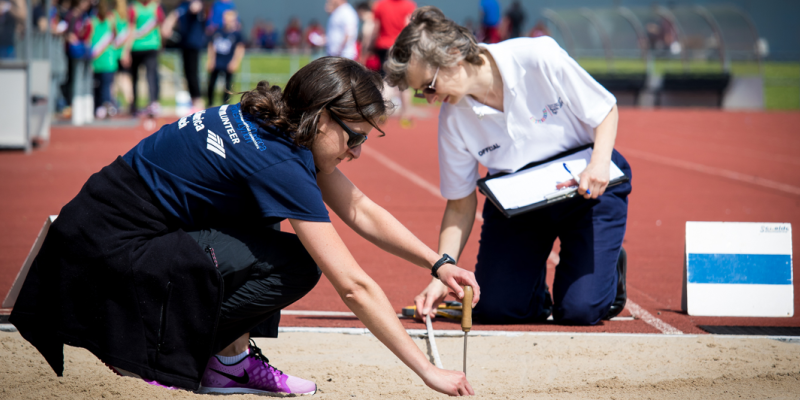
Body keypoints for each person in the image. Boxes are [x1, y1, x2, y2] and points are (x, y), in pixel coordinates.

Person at [10, 56, 478, 397]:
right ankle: (184, 350)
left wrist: (438, 263)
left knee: (259, 222)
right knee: (295, 264)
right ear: (320, 118)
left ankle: (228, 361)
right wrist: (427, 371)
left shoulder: (270, 120)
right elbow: (353, 285)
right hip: (105, 260)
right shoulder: (278, 162)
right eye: (354, 137)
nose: (357, 152)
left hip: (90, 238)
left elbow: (359, 208)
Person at [383, 7, 629, 326]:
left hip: (587, 190)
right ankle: (529, 288)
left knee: (579, 311)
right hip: (519, 204)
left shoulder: (538, 56)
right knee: (497, 308)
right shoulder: (453, 118)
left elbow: (606, 108)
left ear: (454, 54)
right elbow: (459, 203)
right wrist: (441, 271)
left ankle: (610, 269)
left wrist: (598, 164)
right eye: (420, 93)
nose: (428, 99)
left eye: (429, 86)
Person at [370, 0, 416, 126]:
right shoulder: (409, 5)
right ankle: (405, 115)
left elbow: (376, 27)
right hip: (401, 46)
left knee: (386, 79)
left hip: (384, 45)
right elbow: (410, 27)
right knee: (403, 81)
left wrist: (370, 44)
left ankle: (383, 110)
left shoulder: (380, 5)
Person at [163, 0, 206, 113]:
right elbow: (174, 15)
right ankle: (193, 102)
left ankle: (198, 102)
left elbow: (195, 7)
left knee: (193, 73)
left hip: (194, 43)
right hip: (184, 43)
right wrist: (168, 25)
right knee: (187, 73)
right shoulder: (182, 5)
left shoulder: (195, 3)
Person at [127, 0, 165, 117]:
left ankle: (149, 103)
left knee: (148, 77)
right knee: (141, 77)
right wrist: (127, 50)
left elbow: (160, 27)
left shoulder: (151, 7)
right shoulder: (137, 8)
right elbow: (131, 29)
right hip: (141, 47)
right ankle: (138, 104)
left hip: (148, 47)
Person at [206, 9, 244, 106]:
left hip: (228, 61)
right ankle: (209, 104)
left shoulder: (237, 34)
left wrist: (235, 62)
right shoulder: (218, 32)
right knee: (211, 84)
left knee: (227, 86)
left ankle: (225, 105)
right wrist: (211, 60)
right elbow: (212, 46)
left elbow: (240, 49)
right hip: (217, 61)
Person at [90, 0, 117, 119]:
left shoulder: (92, 21)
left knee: (98, 85)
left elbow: (89, 38)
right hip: (108, 58)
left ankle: (100, 106)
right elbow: (114, 37)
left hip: (97, 58)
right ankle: (106, 105)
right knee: (106, 85)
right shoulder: (111, 20)